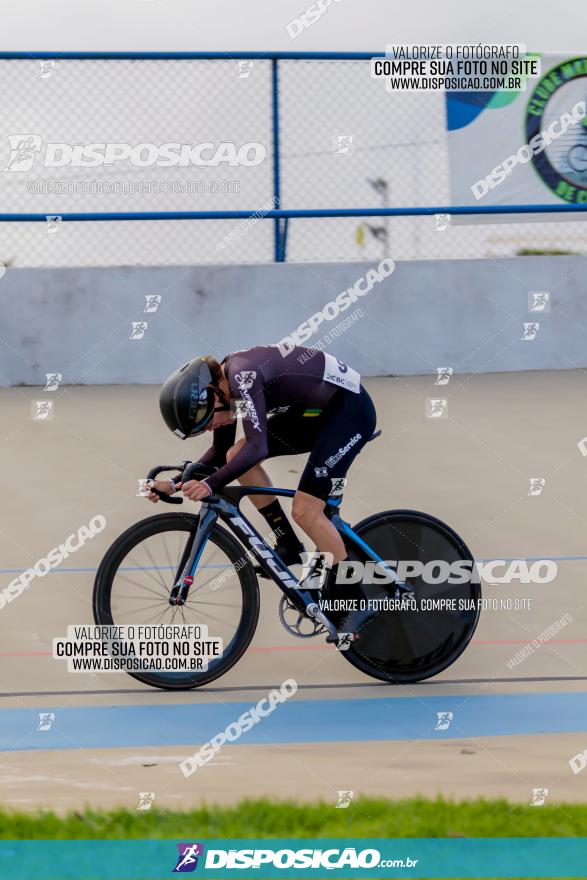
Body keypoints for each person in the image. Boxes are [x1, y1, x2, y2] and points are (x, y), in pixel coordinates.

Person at [149, 345, 377, 638]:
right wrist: (176, 482)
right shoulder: (227, 391)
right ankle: (288, 544)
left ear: (212, 395)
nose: (209, 429)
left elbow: (259, 447)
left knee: (306, 510)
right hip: (314, 412)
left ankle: (356, 603)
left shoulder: (243, 378)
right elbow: (220, 452)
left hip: (349, 413)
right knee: (235, 456)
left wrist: (209, 484)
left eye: (206, 422)